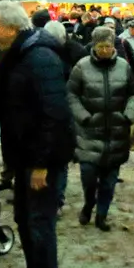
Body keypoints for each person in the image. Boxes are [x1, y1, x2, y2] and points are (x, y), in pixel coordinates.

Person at [0, 0, 72, 268]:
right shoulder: (18, 55)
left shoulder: (40, 58)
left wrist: (42, 164)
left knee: (40, 227)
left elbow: (54, 114)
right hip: (22, 156)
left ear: (10, 27)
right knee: (26, 221)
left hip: (40, 160)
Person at [67, 26, 134, 231]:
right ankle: (89, 203)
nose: (105, 50)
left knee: (109, 181)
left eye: (108, 46)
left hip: (116, 133)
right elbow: (71, 94)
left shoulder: (124, 66)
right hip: (89, 132)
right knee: (89, 177)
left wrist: (129, 114)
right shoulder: (81, 67)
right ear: (94, 46)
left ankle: (102, 215)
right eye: (101, 47)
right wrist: (83, 116)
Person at [40, 20, 83, 209]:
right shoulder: (75, 51)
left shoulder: (42, 54)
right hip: (66, 109)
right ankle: (57, 197)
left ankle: (54, 197)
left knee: (55, 155)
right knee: (61, 156)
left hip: (56, 109)